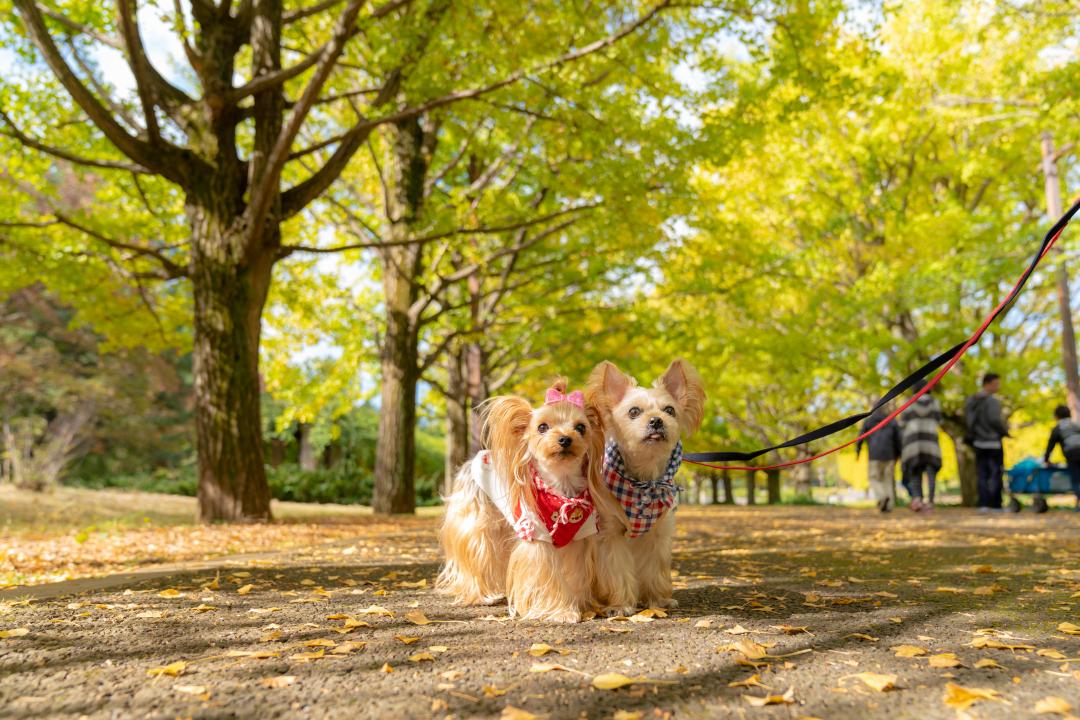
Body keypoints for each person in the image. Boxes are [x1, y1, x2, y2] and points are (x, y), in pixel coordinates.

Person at [964, 373, 1010, 511]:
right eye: (996, 384)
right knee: (995, 472)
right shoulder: (992, 401)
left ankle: (983, 503)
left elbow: (968, 419)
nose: (998, 387)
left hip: (978, 442)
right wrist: (1005, 432)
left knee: (982, 473)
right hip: (993, 442)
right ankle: (995, 504)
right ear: (988, 384)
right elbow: (995, 420)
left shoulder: (972, 400)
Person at [899, 380, 943, 512]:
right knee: (931, 472)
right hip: (930, 440)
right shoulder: (934, 402)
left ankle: (917, 499)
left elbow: (902, 423)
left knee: (915, 471)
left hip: (913, 441)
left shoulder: (908, 402)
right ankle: (930, 501)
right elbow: (940, 420)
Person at [856, 404, 903, 512]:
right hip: (889, 455)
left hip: (874, 455)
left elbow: (860, 437)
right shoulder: (892, 420)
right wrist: (899, 454)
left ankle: (881, 497)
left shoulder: (868, 421)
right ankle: (889, 505)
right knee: (888, 480)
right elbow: (898, 439)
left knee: (874, 478)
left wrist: (857, 452)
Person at [1043, 404, 1080, 512]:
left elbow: (1051, 445)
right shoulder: (1075, 425)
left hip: (1072, 454)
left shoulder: (1058, 428)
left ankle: (1078, 504)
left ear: (1057, 416)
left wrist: (1046, 459)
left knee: (1076, 480)